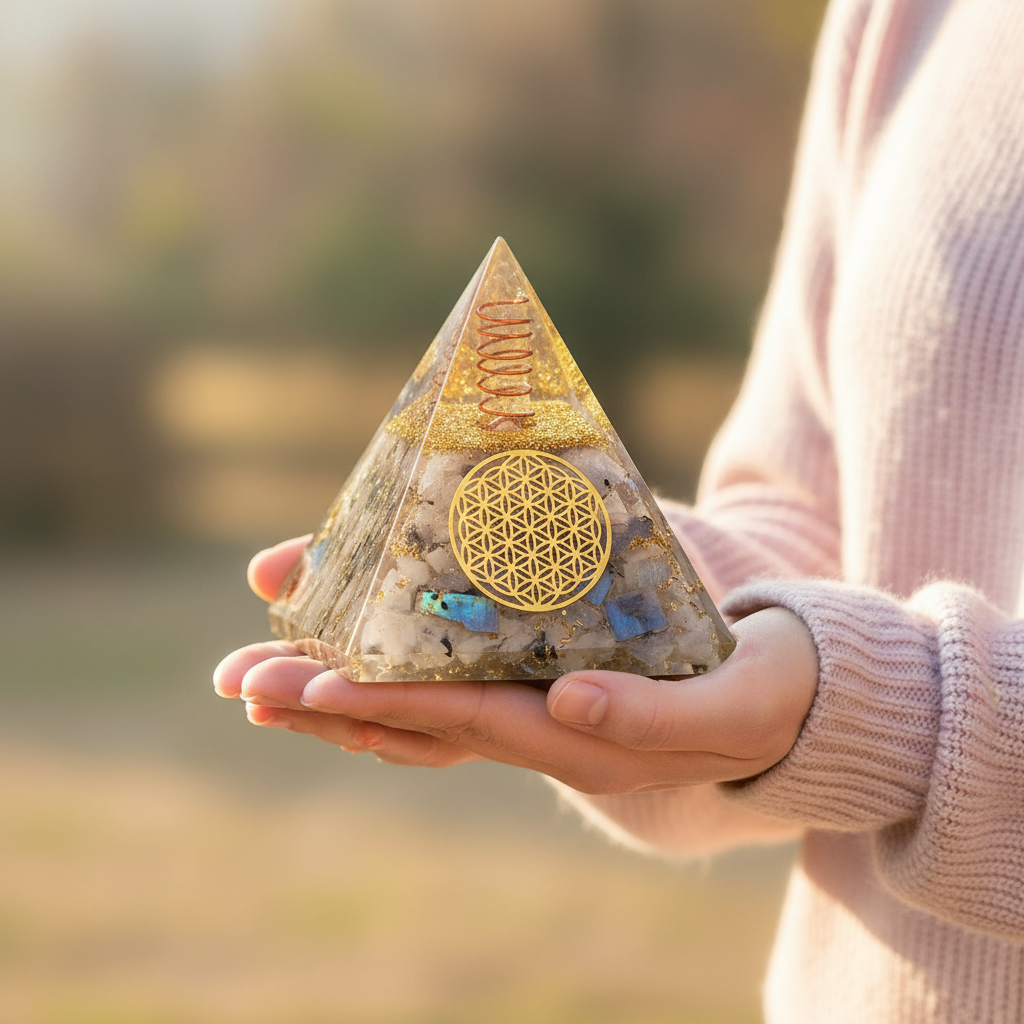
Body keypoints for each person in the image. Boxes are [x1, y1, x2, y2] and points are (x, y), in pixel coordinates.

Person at [214, 0, 1024, 1019]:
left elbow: (849, 667)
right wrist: (614, 602)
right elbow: (810, 518)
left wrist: (903, 713)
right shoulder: (907, 19)